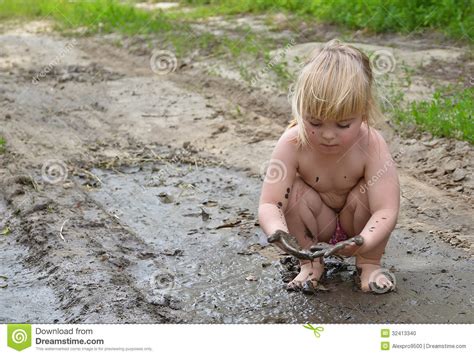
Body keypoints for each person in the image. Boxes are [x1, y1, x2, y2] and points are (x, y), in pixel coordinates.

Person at [258, 39, 400, 293]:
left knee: (367, 193)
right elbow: (270, 203)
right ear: (301, 110)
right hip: (314, 222)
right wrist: (278, 233)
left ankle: (369, 263)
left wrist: (364, 241)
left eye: (343, 125)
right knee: (294, 192)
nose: (328, 135)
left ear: (364, 113)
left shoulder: (371, 144)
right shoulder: (292, 142)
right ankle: (310, 264)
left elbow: (386, 210)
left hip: (357, 224)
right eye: (315, 122)